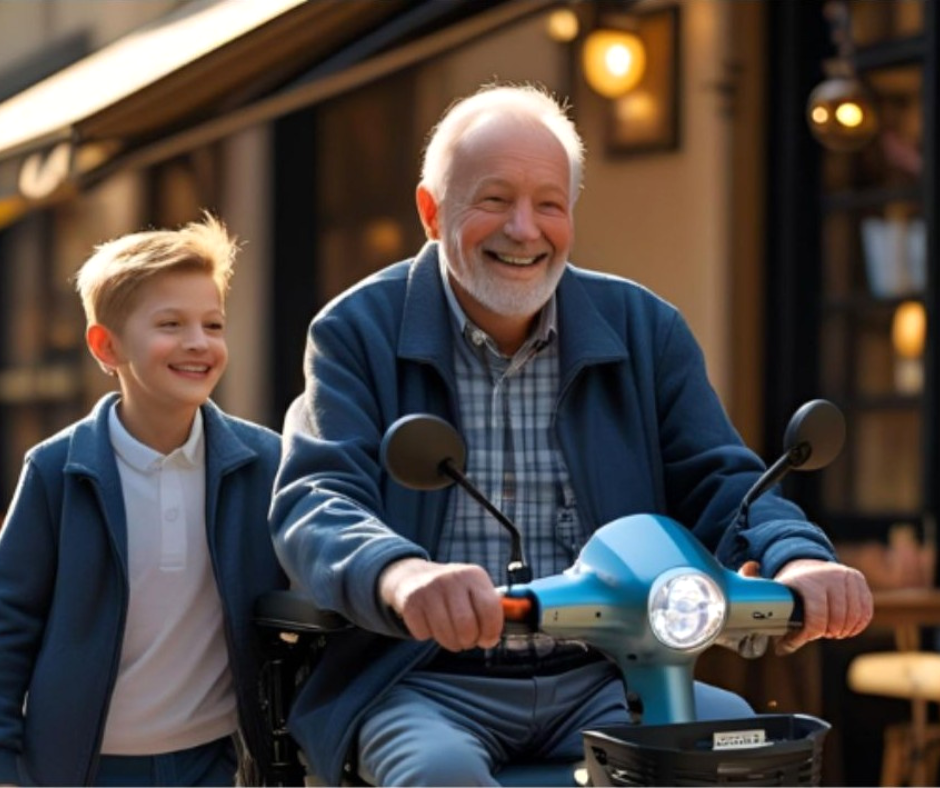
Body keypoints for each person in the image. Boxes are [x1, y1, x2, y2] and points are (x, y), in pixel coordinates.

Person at [270, 83, 873, 786]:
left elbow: (724, 481)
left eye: (549, 204)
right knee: (439, 774)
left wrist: (795, 557)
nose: (525, 229)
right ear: (432, 212)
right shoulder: (356, 330)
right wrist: (403, 575)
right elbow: (316, 497)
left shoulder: (646, 329)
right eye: (494, 200)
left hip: (611, 673)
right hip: (421, 679)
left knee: (734, 749)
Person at [0, 215, 287, 786]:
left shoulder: (265, 462)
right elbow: (9, 622)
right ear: (106, 344)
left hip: (216, 761)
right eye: (171, 324)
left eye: (213, 324)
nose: (198, 343)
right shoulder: (58, 471)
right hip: (82, 767)